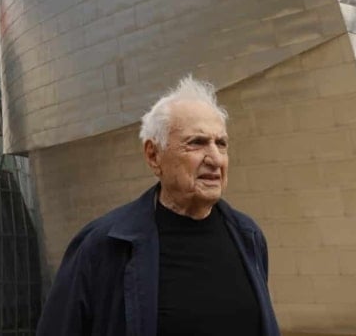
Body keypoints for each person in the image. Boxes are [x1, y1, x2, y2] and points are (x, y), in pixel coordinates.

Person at [35, 75, 280, 336]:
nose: (216, 158)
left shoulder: (248, 236)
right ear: (154, 155)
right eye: (196, 143)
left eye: (221, 143)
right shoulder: (104, 246)